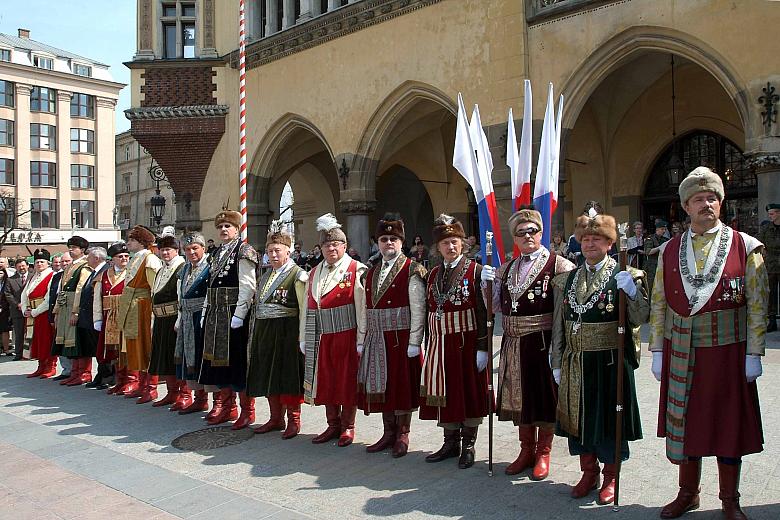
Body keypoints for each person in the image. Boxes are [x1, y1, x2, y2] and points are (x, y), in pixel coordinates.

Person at [649, 167, 767, 520]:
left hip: (729, 350)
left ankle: (730, 499)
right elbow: (659, 302)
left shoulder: (746, 245)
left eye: (712, 198)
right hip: (682, 347)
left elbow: (759, 302)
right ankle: (688, 493)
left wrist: (755, 352)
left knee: (728, 424)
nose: (706, 204)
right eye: (699, 199)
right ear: (686, 206)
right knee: (687, 423)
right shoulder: (669, 250)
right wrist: (656, 348)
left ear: (721, 202)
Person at [551, 208, 649, 505]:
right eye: (586, 239)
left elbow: (642, 316)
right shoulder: (566, 280)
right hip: (576, 360)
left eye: (598, 239)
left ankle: (611, 475)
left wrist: (632, 292)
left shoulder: (626, 275)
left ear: (610, 244)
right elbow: (560, 322)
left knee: (609, 420)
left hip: (610, 361)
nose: (590, 245)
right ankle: (588, 471)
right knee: (579, 419)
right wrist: (556, 360)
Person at [482, 209, 575, 479]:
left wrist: (559, 351)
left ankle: (543, 452)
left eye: (532, 231)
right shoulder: (507, 268)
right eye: (521, 233)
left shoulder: (559, 266)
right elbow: (494, 308)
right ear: (514, 238)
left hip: (543, 342)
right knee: (519, 398)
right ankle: (526, 449)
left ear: (541, 233)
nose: (527, 236)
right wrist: (486, 286)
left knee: (543, 398)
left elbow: (565, 313)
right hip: (513, 342)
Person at [420, 214, 488, 469]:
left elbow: (483, 312)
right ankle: (450, 442)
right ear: (438, 247)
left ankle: (469, 444)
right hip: (439, 343)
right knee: (444, 393)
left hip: (466, 342)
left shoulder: (476, 271)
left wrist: (483, 347)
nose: (450, 246)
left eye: (455, 241)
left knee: (468, 393)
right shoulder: (433, 274)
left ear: (463, 244)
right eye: (445, 242)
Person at [357, 215, 426, 458]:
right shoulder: (370, 272)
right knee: (382, 386)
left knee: (401, 387)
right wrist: (361, 338)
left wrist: (415, 341)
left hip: (401, 337)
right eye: (384, 239)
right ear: (377, 243)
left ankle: (403, 434)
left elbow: (418, 308)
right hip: (377, 337)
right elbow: (366, 308)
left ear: (401, 242)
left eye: (393, 239)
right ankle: (388, 432)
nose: (388, 243)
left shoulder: (412, 270)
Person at [301, 213, 367, 447]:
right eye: (326, 245)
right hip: (322, 336)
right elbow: (307, 306)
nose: (331, 249)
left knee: (346, 382)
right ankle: (332, 424)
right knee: (327, 381)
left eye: (335, 244)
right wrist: (303, 338)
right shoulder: (313, 272)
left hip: (347, 334)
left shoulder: (356, 269)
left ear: (344, 246)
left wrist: (361, 339)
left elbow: (362, 309)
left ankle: (348, 426)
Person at [247, 221, 307, 439]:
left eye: (277, 251)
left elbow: (304, 308)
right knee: (268, 374)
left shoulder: (298, 275)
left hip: (287, 332)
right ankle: (275, 418)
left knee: (287, 376)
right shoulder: (264, 277)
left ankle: (294, 419)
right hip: (265, 332)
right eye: (270, 251)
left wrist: (302, 337)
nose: (272, 255)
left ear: (288, 252)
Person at [200, 209, 258, 427]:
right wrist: (206, 312)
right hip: (216, 313)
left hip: (233, 313)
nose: (224, 230)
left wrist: (240, 314)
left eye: (228, 226)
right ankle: (227, 406)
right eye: (221, 227)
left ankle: (247, 410)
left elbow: (248, 286)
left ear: (237, 229)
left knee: (237, 363)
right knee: (218, 362)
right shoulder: (216, 253)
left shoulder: (243, 251)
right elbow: (210, 287)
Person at [118, 226, 163, 403]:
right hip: (133, 306)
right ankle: (141, 384)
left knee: (146, 346)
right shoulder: (135, 259)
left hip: (144, 307)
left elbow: (155, 288)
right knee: (136, 346)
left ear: (141, 242)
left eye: (132, 240)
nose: (128, 243)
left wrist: (153, 313)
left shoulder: (150, 259)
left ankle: (150, 387)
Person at [175, 233, 211, 415]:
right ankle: (199, 399)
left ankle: (220, 402)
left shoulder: (210, 267)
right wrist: (180, 318)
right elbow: (180, 295)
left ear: (203, 248)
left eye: (195, 248)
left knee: (204, 358)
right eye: (188, 249)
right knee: (190, 359)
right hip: (187, 317)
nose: (191, 252)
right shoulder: (184, 269)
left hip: (202, 316)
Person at [148, 234, 186, 408]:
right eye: (162, 250)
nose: (164, 253)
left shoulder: (181, 268)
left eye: (168, 250)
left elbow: (181, 297)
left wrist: (179, 320)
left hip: (173, 319)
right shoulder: (162, 269)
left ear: (176, 250)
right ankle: (171, 393)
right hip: (161, 319)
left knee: (177, 357)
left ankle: (184, 395)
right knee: (163, 356)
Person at [53, 236, 91, 383]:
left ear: (82, 250)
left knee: (77, 340)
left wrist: (76, 311)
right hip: (65, 306)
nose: (70, 249)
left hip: (75, 306)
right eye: (70, 247)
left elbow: (80, 289)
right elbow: (61, 289)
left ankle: (83, 373)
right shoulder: (69, 266)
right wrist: (57, 310)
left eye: (74, 247)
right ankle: (74, 372)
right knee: (69, 341)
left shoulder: (84, 266)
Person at [95, 243, 130, 394]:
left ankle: (130, 380)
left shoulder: (132, 272)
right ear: (112, 259)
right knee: (112, 351)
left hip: (126, 316)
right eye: (120, 256)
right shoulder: (103, 275)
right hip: (108, 316)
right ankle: (119, 380)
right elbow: (97, 298)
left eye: (126, 256)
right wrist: (97, 319)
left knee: (126, 349)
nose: (123, 259)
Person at [70, 247, 108, 387]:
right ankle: (100, 375)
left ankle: (105, 377)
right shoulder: (95, 272)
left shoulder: (105, 271)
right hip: (89, 316)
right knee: (96, 348)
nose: (87, 259)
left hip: (97, 316)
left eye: (90, 257)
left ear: (97, 258)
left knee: (101, 348)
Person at [22, 251, 55, 378]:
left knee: (46, 339)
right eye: (37, 262)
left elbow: (49, 298)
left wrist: (35, 311)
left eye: (42, 262)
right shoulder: (33, 277)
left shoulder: (52, 276)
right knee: (36, 340)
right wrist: (25, 309)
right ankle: (40, 366)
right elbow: (25, 295)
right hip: (32, 314)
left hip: (43, 313)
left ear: (48, 263)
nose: (39, 264)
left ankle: (50, 366)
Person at [48, 253, 72, 380]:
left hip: (69, 311)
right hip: (58, 311)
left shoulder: (75, 275)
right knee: (59, 341)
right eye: (62, 262)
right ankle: (65, 370)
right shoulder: (57, 276)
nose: (64, 264)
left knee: (69, 342)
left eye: (67, 261)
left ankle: (74, 370)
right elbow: (53, 295)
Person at [759, 203, 780, 332]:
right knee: (770, 294)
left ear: (779, 213)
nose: (770, 216)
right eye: (769, 214)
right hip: (771, 266)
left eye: (772, 214)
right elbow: (760, 243)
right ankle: (772, 321)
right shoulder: (766, 229)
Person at [5, 258, 30, 361]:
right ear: (15, 268)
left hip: (31, 310)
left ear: (27, 266)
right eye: (19, 266)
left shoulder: (33, 277)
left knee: (31, 332)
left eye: (23, 266)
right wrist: (17, 304)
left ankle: (31, 353)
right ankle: (19, 354)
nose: (22, 268)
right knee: (19, 333)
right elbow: (8, 294)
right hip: (17, 311)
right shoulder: (10, 280)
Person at [643, 219, 669, 296]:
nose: (664, 231)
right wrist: (659, 247)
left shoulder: (665, 240)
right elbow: (648, 252)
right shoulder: (650, 239)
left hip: (662, 265)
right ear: (657, 229)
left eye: (665, 229)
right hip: (652, 267)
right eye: (662, 229)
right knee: (651, 288)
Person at [0, 267, 12, 355]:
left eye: (1, 273)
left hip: (5, 310)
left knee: (5, 330)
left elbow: (8, 295)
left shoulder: (7, 282)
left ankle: (6, 349)